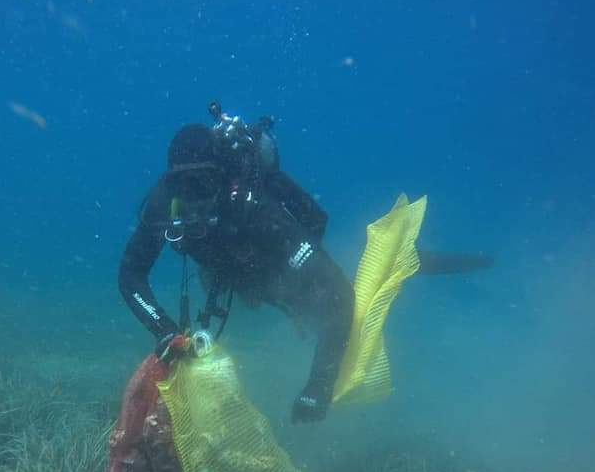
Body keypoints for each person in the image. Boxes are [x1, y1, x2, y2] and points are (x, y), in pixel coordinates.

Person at [118, 103, 490, 424]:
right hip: (234, 269)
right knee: (274, 294)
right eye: (184, 184)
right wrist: (163, 329)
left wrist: (319, 386)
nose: (194, 195)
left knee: (338, 303)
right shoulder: (163, 206)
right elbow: (130, 276)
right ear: (170, 182)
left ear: (223, 178)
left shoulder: (254, 208)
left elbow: (339, 297)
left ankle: (404, 261)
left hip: (276, 262)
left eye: (203, 182)